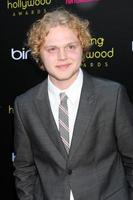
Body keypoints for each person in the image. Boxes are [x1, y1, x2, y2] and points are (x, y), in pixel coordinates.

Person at [14, 8, 133, 200]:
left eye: (71, 46)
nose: (62, 56)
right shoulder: (24, 105)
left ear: (82, 48)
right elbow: (23, 168)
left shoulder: (112, 95)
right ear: (39, 54)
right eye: (52, 49)